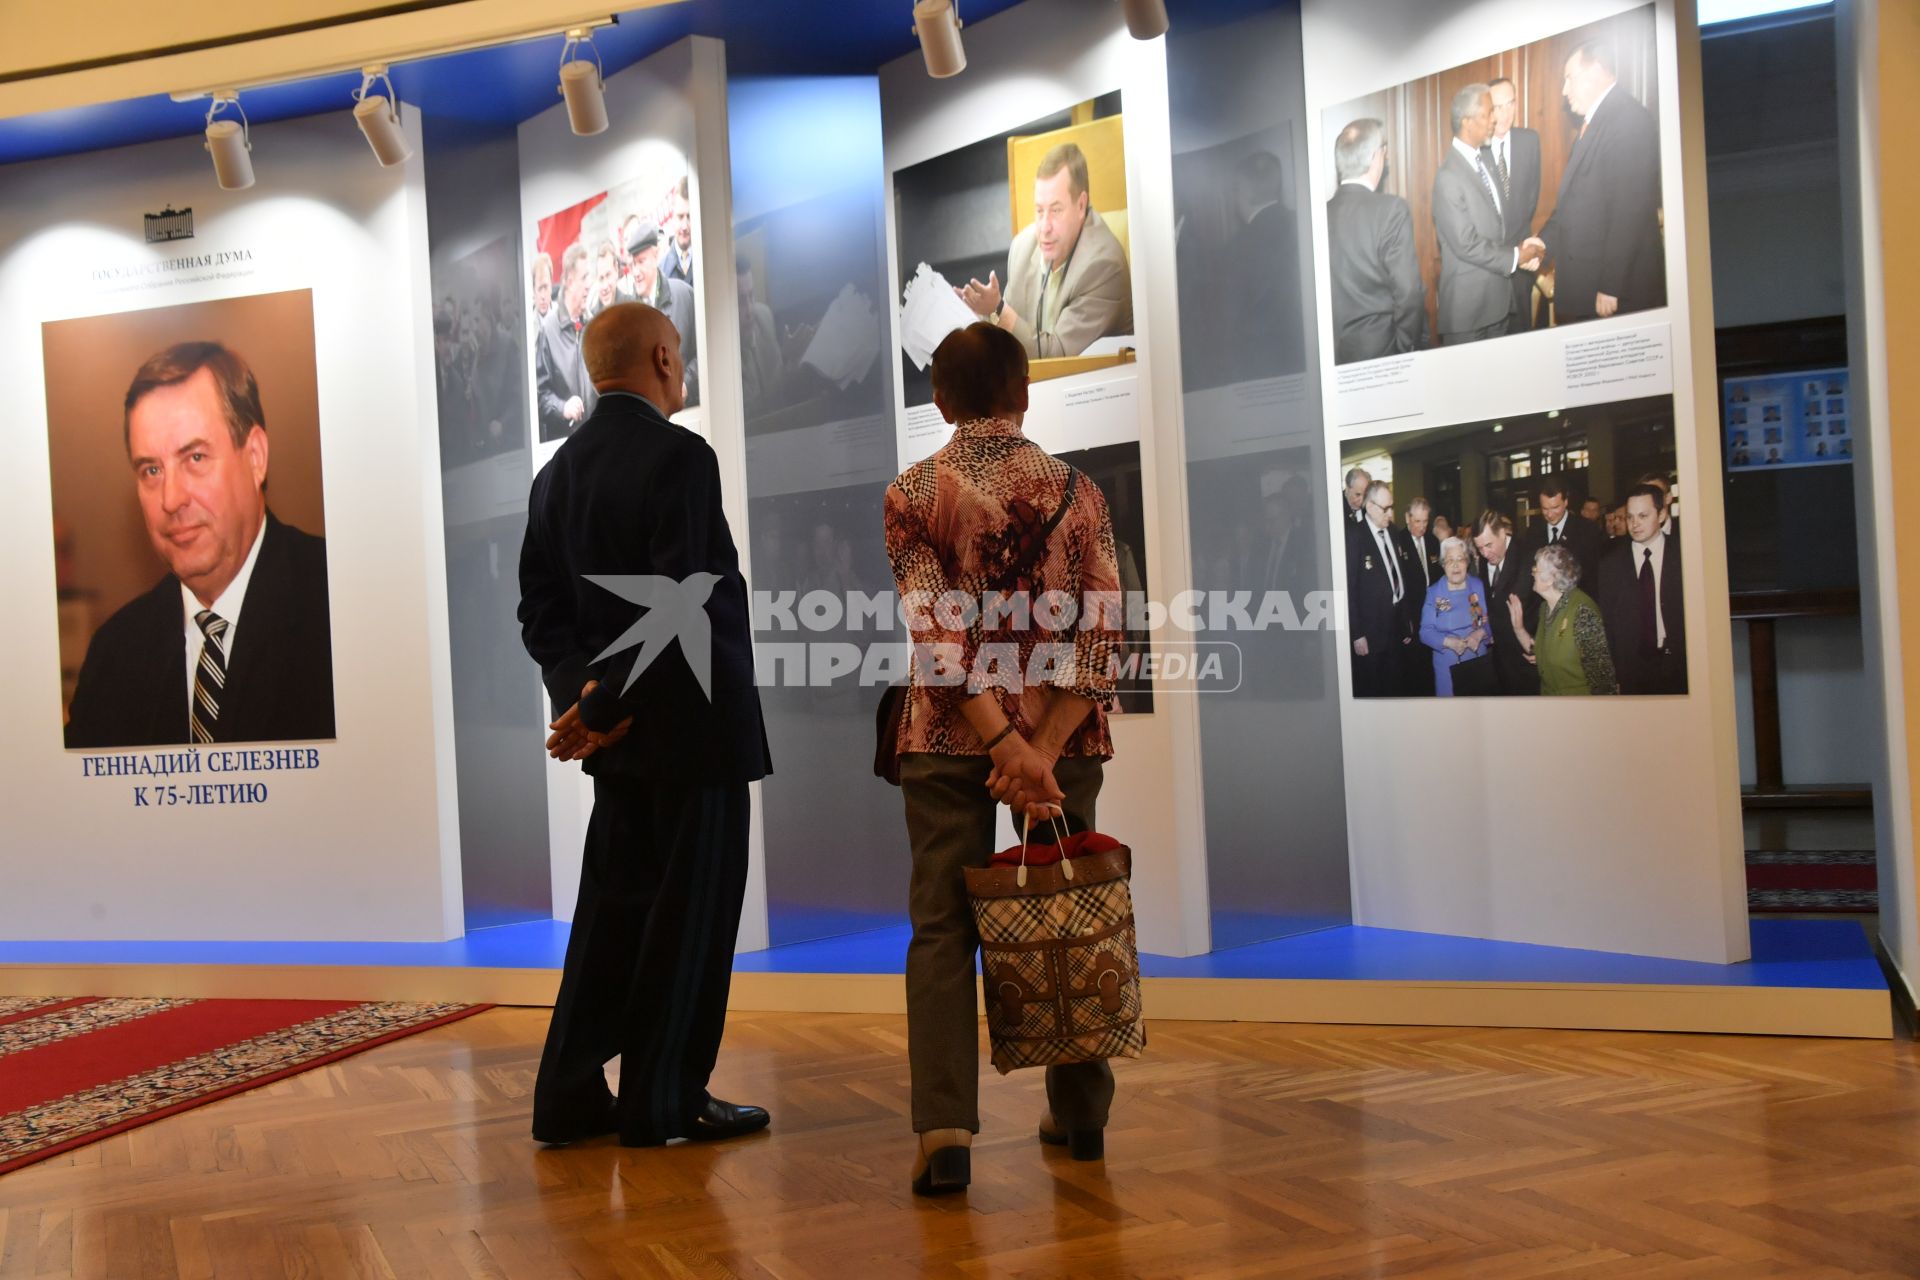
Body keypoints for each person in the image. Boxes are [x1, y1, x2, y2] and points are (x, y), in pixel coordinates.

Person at [517, 302, 772, 1149]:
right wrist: (602, 705)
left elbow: (540, 612)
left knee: (612, 916)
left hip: (617, 746)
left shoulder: (555, 477)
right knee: (691, 922)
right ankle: (664, 1101)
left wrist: (586, 699)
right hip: (693, 738)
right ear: (665, 357)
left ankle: (568, 1093)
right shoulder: (681, 458)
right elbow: (685, 599)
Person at [883, 321, 1124, 1196]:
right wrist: (1043, 749)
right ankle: (1082, 1115)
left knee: (943, 926)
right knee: (1073, 910)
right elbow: (1102, 635)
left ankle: (946, 1130)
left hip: (951, 738)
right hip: (1065, 742)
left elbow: (936, 638)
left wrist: (1001, 743)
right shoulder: (1081, 491)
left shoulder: (912, 492)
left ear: (940, 401)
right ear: (1025, 393)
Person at [65, 342, 334, 749]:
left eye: (194, 458)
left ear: (256, 456)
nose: (170, 499)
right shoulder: (114, 656)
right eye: (151, 469)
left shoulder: (339, 603)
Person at [956, 142, 1132, 358]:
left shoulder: (1102, 266)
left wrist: (998, 310)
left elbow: (1058, 359)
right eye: (1039, 211)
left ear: (1080, 205)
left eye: (1056, 210)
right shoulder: (1023, 248)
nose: (1044, 227)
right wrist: (978, 314)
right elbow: (1009, 335)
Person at [1532, 42, 1666, 322]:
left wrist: (1610, 285)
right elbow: (1574, 204)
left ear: (1594, 71)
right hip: (1587, 290)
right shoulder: (1594, 124)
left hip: (1613, 296)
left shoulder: (1628, 119)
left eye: (1569, 78)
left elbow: (1629, 211)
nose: (1564, 91)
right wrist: (1543, 243)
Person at [1432, 84, 1537, 345]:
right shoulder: (1448, 177)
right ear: (1467, 122)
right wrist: (1515, 257)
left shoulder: (1484, 161)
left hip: (1497, 306)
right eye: (1489, 113)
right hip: (1468, 314)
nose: (1495, 120)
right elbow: (1466, 243)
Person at [1326, 118, 1426, 363]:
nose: (1386, 155)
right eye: (1384, 149)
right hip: (1383, 353)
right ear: (1375, 158)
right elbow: (1409, 292)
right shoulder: (1392, 209)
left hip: (1335, 355)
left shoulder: (1319, 214)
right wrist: (1404, 347)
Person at [1596, 484, 1686, 694]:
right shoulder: (1610, 564)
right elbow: (1607, 623)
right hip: (1632, 668)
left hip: (1679, 663)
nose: (1635, 524)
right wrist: (1614, 673)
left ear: (1662, 514)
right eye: (1630, 517)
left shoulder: (1684, 553)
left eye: (1643, 516)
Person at [1508, 543, 1617, 695]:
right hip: (1551, 702)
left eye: (1535, 570)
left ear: (1550, 579)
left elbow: (1602, 678)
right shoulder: (1545, 608)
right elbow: (1540, 653)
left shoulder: (1583, 612)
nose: (1531, 573)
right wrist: (1518, 628)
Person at [1348, 481, 1416, 696]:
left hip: (1395, 627)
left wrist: (1405, 620)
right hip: (1371, 632)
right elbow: (1349, 589)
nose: (1391, 513)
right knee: (1373, 689)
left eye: (1392, 506)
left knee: (1396, 686)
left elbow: (1400, 579)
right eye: (1386, 508)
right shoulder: (1354, 537)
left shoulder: (1393, 532)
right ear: (1369, 507)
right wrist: (1357, 633)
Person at [1485, 77, 1542, 332]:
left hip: (1522, 263)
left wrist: (1520, 250)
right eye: (1498, 107)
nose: (1506, 114)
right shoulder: (1477, 150)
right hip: (1490, 266)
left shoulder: (1530, 141)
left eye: (1511, 104)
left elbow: (1531, 198)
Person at [626, 218, 700, 405]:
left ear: (656, 257)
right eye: (632, 264)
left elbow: (702, 351)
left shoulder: (684, 295)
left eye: (641, 262)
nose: (635, 272)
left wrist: (686, 383)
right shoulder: (628, 316)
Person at [1471, 510, 1539, 696]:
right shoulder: (1487, 558)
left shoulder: (1529, 557)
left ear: (1503, 533)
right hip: (1500, 661)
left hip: (1527, 660)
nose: (1485, 553)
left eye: (1488, 545)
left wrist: (1539, 648)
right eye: (1480, 548)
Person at [1418, 536, 1495, 696]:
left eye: (1460, 559)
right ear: (1443, 564)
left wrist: (1480, 633)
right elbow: (1425, 632)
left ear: (1467, 562)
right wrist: (1448, 642)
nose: (1455, 565)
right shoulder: (1434, 593)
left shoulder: (1478, 586)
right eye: (1449, 560)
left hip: (1477, 661)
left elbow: (1490, 622)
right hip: (1448, 667)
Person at [535, 243, 596, 441]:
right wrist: (563, 408)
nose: (589, 284)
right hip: (568, 446)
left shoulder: (594, 325)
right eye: (584, 277)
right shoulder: (548, 331)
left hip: (597, 440)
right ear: (569, 281)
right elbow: (540, 396)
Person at [1535, 474, 1603, 593]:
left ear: (1566, 502)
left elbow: (1593, 575)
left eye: (1555, 507)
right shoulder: (1534, 531)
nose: (1550, 514)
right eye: (1545, 509)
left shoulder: (1587, 529)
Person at [662, 176, 695, 288]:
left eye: (689, 217)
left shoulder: (709, 260)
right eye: (680, 217)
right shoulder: (662, 272)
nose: (684, 226)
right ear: (672, 218)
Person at [530, 251, 554, 323]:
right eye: (539, 289)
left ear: (551, 286)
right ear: (534, 290)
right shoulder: (527, 321)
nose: (543, 296)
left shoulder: (562, 318)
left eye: (546, 288)